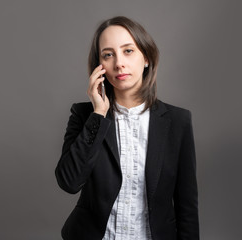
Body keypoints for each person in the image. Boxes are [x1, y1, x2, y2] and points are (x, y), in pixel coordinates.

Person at [55, 16, 199, 240]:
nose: (119, 63)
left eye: (128, 51)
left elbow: (186, 205)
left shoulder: (178, 122)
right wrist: (99, 114)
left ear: (147, 58)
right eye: (108, 54)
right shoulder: (85, 116)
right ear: (99, 66)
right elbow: (69, 182)